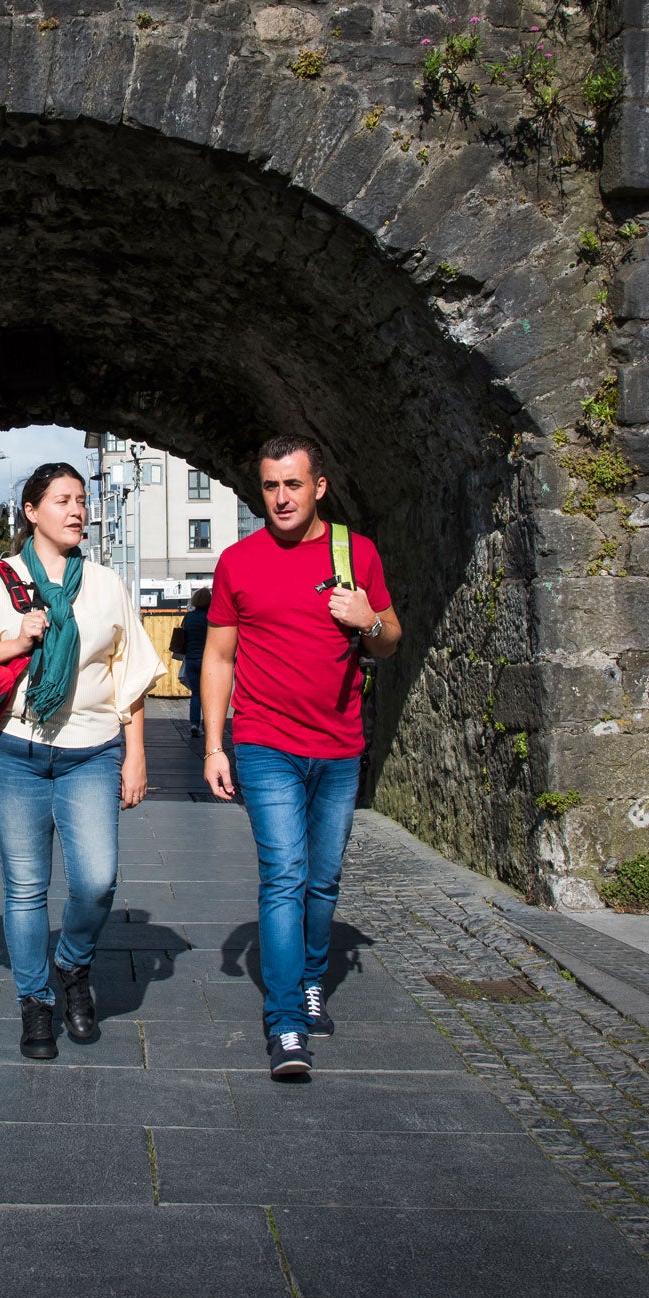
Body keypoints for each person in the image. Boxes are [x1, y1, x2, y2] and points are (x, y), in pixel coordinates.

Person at [0, 462, 158, 1061]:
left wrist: (135, 756)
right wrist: (19, 639)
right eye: (62, 500)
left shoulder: (106, 585)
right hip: (14, 751)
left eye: (81, 500)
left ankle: (73, 965)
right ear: (31, 511)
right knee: (27, 886)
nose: (77, 510)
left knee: (96, 879)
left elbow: (129, 675)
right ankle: (35, 1001)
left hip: (91, 751)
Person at [199, 435, 399, 1081]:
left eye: (292, 484)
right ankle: (285, 1022)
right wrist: (213, 744)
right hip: (265, 744)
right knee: (284, 875)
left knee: (323, 879)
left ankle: (312, 978)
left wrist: (367, 619)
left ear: (319, 487)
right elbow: (219, 657)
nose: (280, 498)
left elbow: (391, 640)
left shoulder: (355, 553)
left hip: (339, 747)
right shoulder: (237, 561)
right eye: (269, 486)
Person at [173, 587, 213, 737]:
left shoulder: (189, 617)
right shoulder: (211, 617)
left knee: (195, 693)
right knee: (208, 695)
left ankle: (194, 724)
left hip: (190, 660)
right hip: (207, 661)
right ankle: (207, 726)